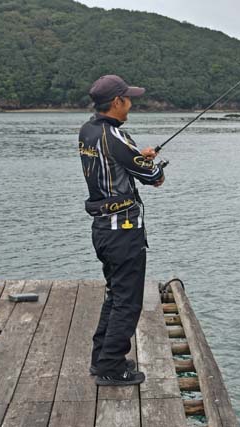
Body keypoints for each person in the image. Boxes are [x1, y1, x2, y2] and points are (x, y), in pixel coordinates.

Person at [78, 75, 165, 386]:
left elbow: (121, 163)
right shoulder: (116, 137)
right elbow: (154, 178)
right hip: (123, 230)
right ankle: (112, 367)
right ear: (116, 102)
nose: (131, 103)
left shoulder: (88, 131)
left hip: (102, 229)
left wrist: (139, 158)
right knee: (127, 301)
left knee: (116, 295)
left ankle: (101, 358)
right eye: (128, 98)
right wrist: (150, 163)